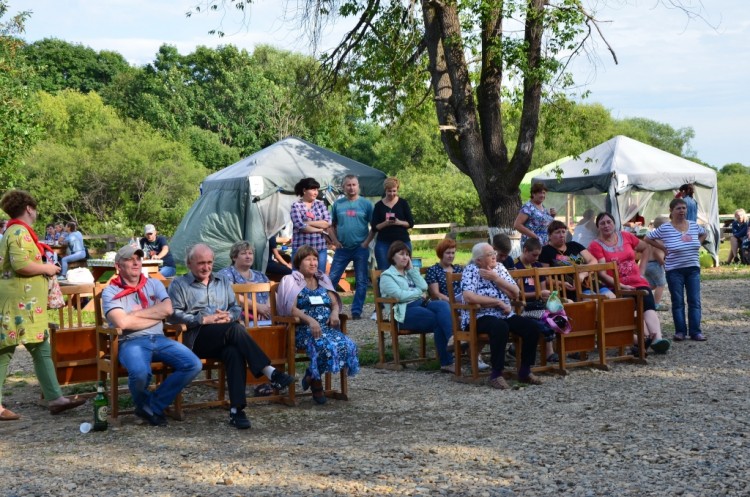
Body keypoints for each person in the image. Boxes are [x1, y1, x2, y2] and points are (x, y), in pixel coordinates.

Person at [168, 243, 295, 429]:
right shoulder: (179, 284)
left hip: (225, 335)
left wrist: (229, 315)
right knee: (236, 330)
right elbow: (173, 315)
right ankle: (270, 371)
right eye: (201, 263)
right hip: (196, 338)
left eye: (209, 262)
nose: (206, 267)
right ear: (189, 263)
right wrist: (202, 319)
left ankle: (237, 410)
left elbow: (235, 308)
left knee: (234, 352)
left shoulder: (222, 281)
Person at [0, 190, 85, 421]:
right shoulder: (18, 231)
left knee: (39, 348)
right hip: (19, 304)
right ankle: (54, 399)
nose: (35, 212)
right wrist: (47, 269)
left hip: (25, 304)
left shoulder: (16, 230)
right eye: (34, 208)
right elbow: (20, 264)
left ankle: (55, 398)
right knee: (5, 351)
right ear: (29, 208)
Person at [101, 245, 202, 426]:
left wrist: (133, 315)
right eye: (130, 259)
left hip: (160, 339)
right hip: (130, 342)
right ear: (118, 266)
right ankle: (149, 407)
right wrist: (154, 317)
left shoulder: (153, 283)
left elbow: (168, 309)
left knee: (193, 364)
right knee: (140, 373)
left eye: (138, 258)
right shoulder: (110, 292)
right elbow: (122, 324)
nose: (136, 262)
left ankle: (151, 405)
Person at [276, 245, 360, 405]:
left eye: (315, 259)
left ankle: (311, 375)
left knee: (348, 345)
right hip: (301, 329)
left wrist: (335, 313)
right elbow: (290, 308)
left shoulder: (322, 279)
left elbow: (334, 303)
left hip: (326, 328)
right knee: (324, 347)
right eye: (308, 259)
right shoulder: (291, 280)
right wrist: (310, 320)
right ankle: (316, 383)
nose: (313, 263)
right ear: (299, 262)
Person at [461, 242, 543, 389]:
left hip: (505, 314)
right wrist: (497, 302)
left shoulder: (499, 268)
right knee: (500, 327)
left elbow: (515, 292)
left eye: (494, 253)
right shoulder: (472, 270)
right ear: (479, 260)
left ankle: (525, 371)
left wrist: (496, 279)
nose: (494, 256)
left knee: (532, 327)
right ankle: (496, 374)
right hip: (478, 316)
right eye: (490, 255)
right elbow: (469, 297)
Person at [588, 212, 671, 354]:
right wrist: (619, 285)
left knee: (647, 303)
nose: (606, 225)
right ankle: (645, 338)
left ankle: (657, 339)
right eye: (602, 223)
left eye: (609, 222)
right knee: (629, 306)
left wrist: (642, 270)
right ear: (598, 227)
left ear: (614, 224)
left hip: (637, 280)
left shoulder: (625, 236)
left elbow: (645, 247)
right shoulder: (595, 245)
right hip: (615, 285)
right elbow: (601, 273)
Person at [378, 241, 455, 373]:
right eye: (401, 254)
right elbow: (400, 296)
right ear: (392, 257)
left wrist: (412, 270)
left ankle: (452, 339)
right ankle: (448, 360)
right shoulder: (387, 276)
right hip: (403, 312)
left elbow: (424, 287)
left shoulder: (409, 272)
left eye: (407, 255)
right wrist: (418, 293)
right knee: (438, 320)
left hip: (421, 304)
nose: (405, 257)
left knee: (442, 305)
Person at [645, 198, 707, 342]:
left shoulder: (693, 225)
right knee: (678, 301)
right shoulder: (666, 228)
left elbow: (705, 233)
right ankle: (680, 331)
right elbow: (647, 238)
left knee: (694, 301)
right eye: (678, 208)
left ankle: (695, 331)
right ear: (671, 211)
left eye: (684, 208)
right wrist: (663, 248)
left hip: (693, 268)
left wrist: (699, 242)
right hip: (674, 270)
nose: (682, 211)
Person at [328, 175, 374, 320]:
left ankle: (356, 311)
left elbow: (375, 227)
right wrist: (335, 241)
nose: (351, 188)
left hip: (361, 248)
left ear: (358, 186)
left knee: (361, 280)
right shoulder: (337, 205)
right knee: (332, 279)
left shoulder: (366, 205)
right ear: (343, 187)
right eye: (348, 185)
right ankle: (330, 308)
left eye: (354, 185)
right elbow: (330, 225)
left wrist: (366, 242)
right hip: (342, 248)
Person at [539, 220, 612, 301]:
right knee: (594, 301)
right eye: (557, 232)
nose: (562, 235)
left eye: (563, 232)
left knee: (612, 298)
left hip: (591, 283)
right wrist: (562, 283)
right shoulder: (545, 251)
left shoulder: (574, 245)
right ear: (549, 235)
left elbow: (593, 260)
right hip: (569, 289)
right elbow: (544, 277)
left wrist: (583, 274)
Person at [513, 238, 557, 363]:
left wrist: (546, 295)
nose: (537, 258)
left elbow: (542, 289)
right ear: (525, 250)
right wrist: (538, 294)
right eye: (534, 255)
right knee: (544, 314)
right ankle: (549, 352)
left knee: (557, 310)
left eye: (538, 255)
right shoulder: (515, 266)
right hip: (523, 304)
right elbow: (516, 294)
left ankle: (565, 348)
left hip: (537, 303)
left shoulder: (537, 266)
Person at [218, 241, 271, 321]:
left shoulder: (260, 275)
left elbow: (273, 294)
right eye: (243, 253)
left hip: (265, 318)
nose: (248, 256)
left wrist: (266, 309)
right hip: (240, 321)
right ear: (234, 257)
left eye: (250, 253)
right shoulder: (225, 274)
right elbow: (228, 295)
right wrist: (258, 307)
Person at [371, 177, 414, 270]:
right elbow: (374, 227)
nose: (392, 194)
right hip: (384, 243)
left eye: (394, 191)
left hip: (402, 241)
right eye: (389, 191)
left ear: (397, 189)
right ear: (385, 190)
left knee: (406, 268)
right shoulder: (378, 206)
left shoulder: (403, 203)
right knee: (384, 269)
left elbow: (410, 223)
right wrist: (385, 223)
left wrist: (399, 222)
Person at [290, 177, 331, 269]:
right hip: (301, 250)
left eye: (317, 189)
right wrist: (320, 230)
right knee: (298, 278)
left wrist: (308, 222)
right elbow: (300, 226)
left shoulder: (320, 204)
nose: (316, 192)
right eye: (313, 189)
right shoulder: (296, 206)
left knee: (319, 277)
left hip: (319, 248)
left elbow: (327, 223)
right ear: (304, 190)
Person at [644, 216, 669, 311]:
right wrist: (663, 263)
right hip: (655, 264)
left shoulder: (652, 236)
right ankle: (656, 304)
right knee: (661, 284)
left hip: (648, 264)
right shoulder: (659, 239)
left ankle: (641, 296)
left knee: (652, 285)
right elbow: (656, 253)